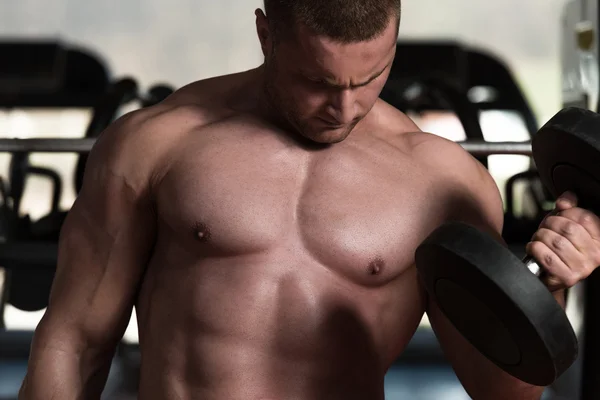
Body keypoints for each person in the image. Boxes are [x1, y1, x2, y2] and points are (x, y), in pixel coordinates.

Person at [18, 1, 600, 399]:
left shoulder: (445, 184)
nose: (344, 109)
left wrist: (547, 287)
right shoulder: (155, 145)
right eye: (318, 82)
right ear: (266, 33)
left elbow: (503, 390)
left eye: (372, 77)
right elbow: (76, 339)